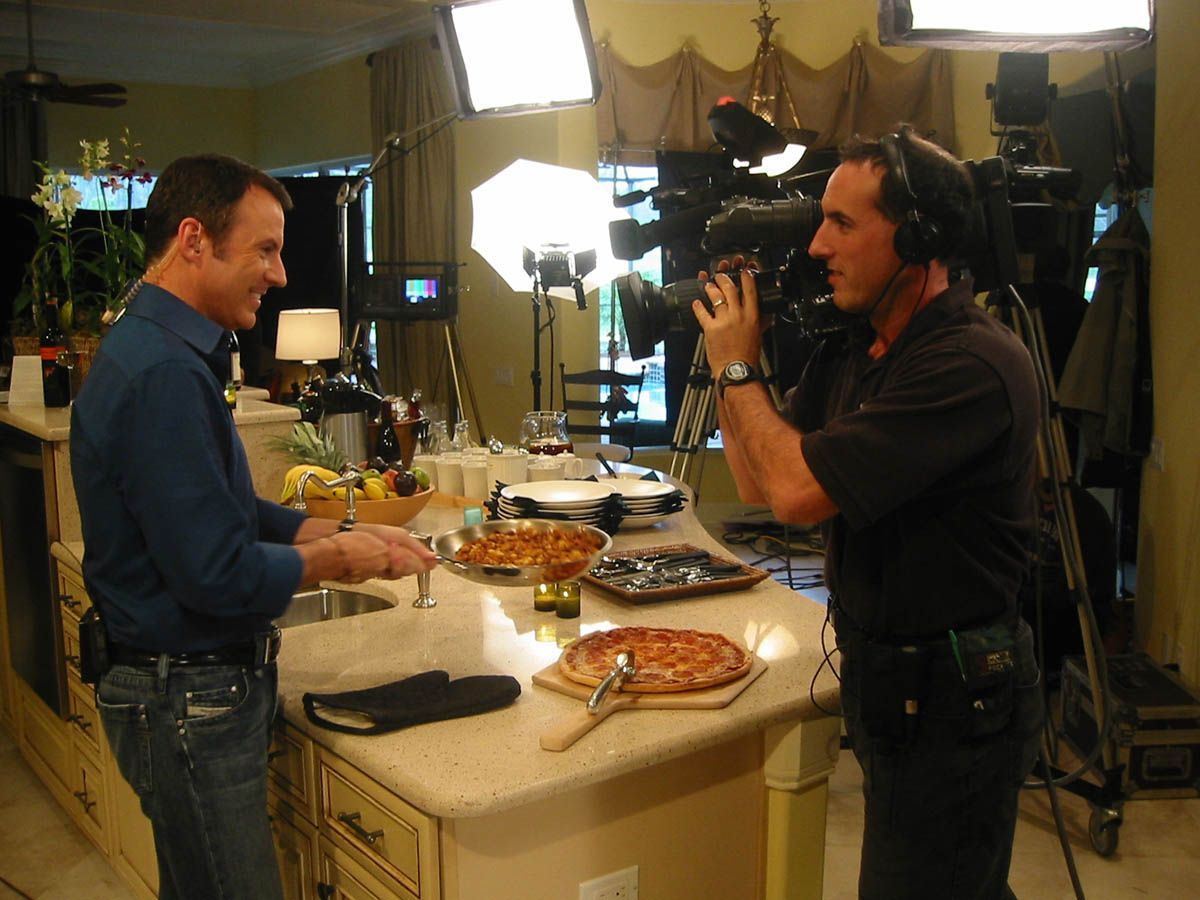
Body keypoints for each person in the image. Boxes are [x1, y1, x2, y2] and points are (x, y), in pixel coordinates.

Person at [70, 154, 437, 900]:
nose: (279, 275)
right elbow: (215, 572)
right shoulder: (166, 374)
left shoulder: (150, 346)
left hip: (165, 692)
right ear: (195, 240)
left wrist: (314, 528)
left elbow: (212, 512)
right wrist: (336, 557)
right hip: (188, 701)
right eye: (264, 249)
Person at [692, 127, 1044, 899]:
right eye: (820, 220)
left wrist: (741, 364)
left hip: (958, 696)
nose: (818, 245)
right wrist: (730, 372)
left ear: (917, 238)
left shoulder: (969, 364)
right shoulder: (858, 349)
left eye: (842, 224)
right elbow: (757, 480)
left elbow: (794, 492)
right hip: (889, 684)